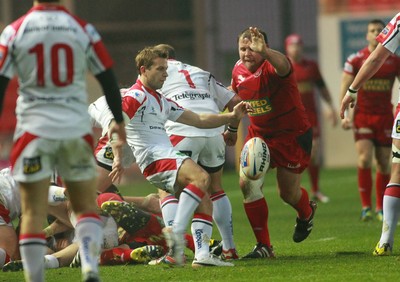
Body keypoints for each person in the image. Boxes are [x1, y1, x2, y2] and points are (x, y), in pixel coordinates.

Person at [0, 1, 127, 281]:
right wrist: (116, 118)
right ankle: (90, 268)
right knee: (82, 204)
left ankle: (35, 277)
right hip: (73, 127)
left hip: (34, 129)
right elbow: (108, 78)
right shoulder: (82, 29)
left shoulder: (14, 31)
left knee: (32, 208)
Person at [92, 46, 252, 267]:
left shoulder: (159, 99)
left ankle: (200, 255)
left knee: (203, 199)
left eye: (166, 69)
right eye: (160, 69)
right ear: (143, 70)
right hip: (154, 159)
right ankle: (176, 232)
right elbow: (116, 124)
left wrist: (231, 116)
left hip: (164, 156)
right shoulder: (137, 95)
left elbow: (199, 120)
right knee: (202, 178)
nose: (165, 74)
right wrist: (118, 155)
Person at [231, 27, 317, 258]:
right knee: (246, 183)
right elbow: (235, 99)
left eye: (253, 48)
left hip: (291, 136)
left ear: (264, 48)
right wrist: (230, 127)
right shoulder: (237, 71)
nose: (247, 53)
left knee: (287, 194)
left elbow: (284, 66)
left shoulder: (274, 66)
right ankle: (264, 246)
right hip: (259, 136)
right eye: (243, 48)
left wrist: (266, 52)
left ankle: (306, 213)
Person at [154, 43, 241, 260]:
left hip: (181, 130)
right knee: (215, 188)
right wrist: (232, 130)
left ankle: (176, 249)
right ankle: (229, 248)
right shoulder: (200, 72)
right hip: (213, 130)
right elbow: (236, 101)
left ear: (161, 59)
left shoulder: (158, 75)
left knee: (167, 189)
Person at [340, 13, 400, 256]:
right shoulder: (354, 58)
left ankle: (385, 239)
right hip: (366, 115)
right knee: (368, 159)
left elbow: (377, 58)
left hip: (387, 114)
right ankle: (369, 208)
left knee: (394, 169)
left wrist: (352, 90)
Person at [285, 34, 338, 203]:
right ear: (287, 48)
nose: (296, 48)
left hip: (310, 115)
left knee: (313, 151)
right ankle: (292, 191)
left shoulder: (311, 66)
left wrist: (331, 107)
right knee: (293, 154)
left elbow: (322, 87)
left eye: (299, 45)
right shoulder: (282, 66)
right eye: (293, 45)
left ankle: (315, 190)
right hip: (290, 117)